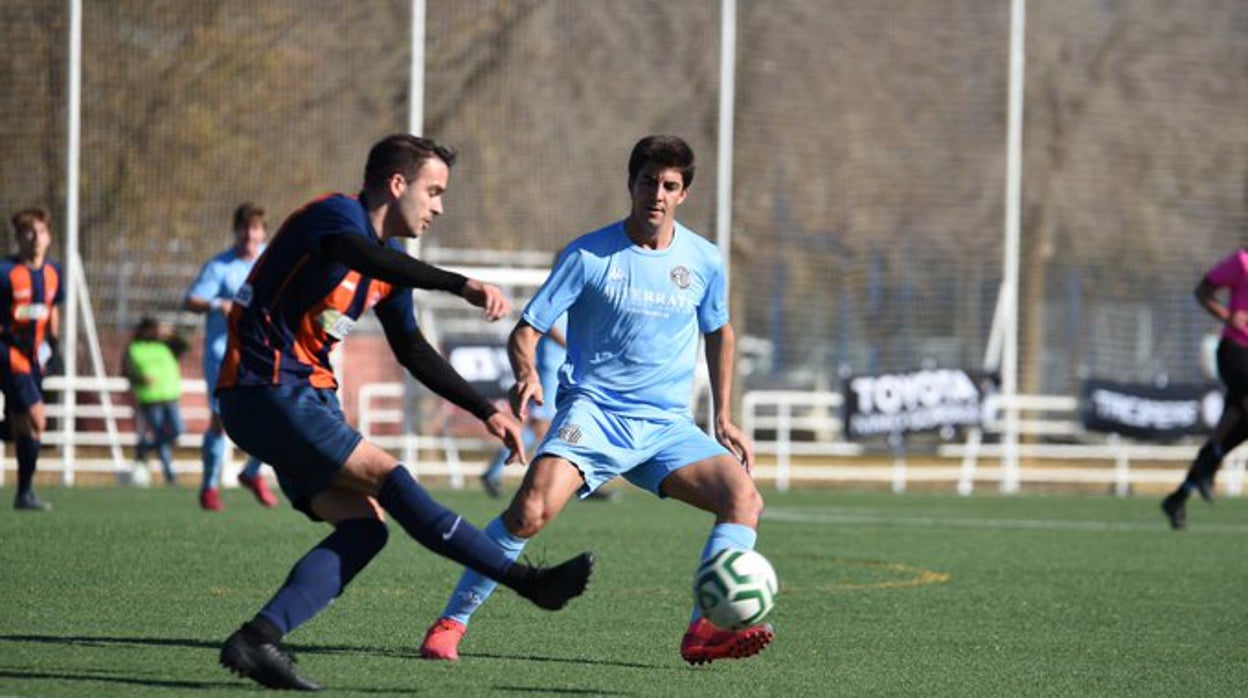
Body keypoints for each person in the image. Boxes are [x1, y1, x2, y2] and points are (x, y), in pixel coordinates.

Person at [215, 133, 593, 691]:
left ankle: (257, 639)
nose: (439, 207)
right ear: (397, 184)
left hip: (299, 399)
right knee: (390, 476)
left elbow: (412, 349)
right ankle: (525, 581)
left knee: (366, 527)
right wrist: (459, 284)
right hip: (265, 387)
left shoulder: (388, 263)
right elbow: (357, 254)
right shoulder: (333, 218)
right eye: (433, 191)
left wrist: (485, 410)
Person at [419, 134, 770, 665]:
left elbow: (719, 331)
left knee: (743, 499)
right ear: (631, 184)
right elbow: (528, 329)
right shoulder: (587, 255)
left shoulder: (704, 260)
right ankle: (451, 622)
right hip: (594, 415)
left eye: (669, 185)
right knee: (529, 511)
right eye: (648, 182)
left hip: (667, 426)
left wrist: (723, 416)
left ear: (683, 194)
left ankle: (705, 628)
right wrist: (526, 375)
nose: (657, 194)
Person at [184, 203, 278, 510]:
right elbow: (192, 300)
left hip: (261, 353)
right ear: (236, 231)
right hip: (223, 354)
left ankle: (250, 473)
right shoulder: (220, 266)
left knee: (275, 413)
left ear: (263, 233)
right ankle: (209, 487)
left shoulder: (272, 261)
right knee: (221, 419)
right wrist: (217, 304)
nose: (250, 234)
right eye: (244, 228)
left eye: (256, 228)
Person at [1162, 249, 1248, 529]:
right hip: (1236, 351)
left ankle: (1178, 497)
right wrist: (1228, 315)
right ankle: (1210, 465)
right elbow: (1202, 291)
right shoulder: (1242, 262)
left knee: (1235, 428)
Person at [1, 208, 62, 511]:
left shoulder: (54, 273)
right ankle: (24, 493)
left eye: (41, 231)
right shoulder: (5, 272)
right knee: (38, 418)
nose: (35, 238)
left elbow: (52, 309)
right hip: (9, 353)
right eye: (29, 232)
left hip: (36, 357)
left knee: (24, 426)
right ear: (18, 237)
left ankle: (24, 494)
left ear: (49, 237)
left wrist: (54, 344)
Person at [479, 312, 566, 498]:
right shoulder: (559, 301)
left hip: (562, 371)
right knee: (540, 426)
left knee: (554, 426)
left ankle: (578, 479)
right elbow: (548, 324)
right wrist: (570, 345)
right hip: (550, 371)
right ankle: (495, 471)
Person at [121, 317, 186, 486]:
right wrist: (141, 379)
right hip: (150, 399)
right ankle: (170, 475)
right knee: (160, 435)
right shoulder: (133, 348)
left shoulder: (166, 345)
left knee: (178, 430)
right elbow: (126, 372)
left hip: (170, 396)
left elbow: (184, 346)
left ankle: (144, 448)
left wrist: (171, 334)